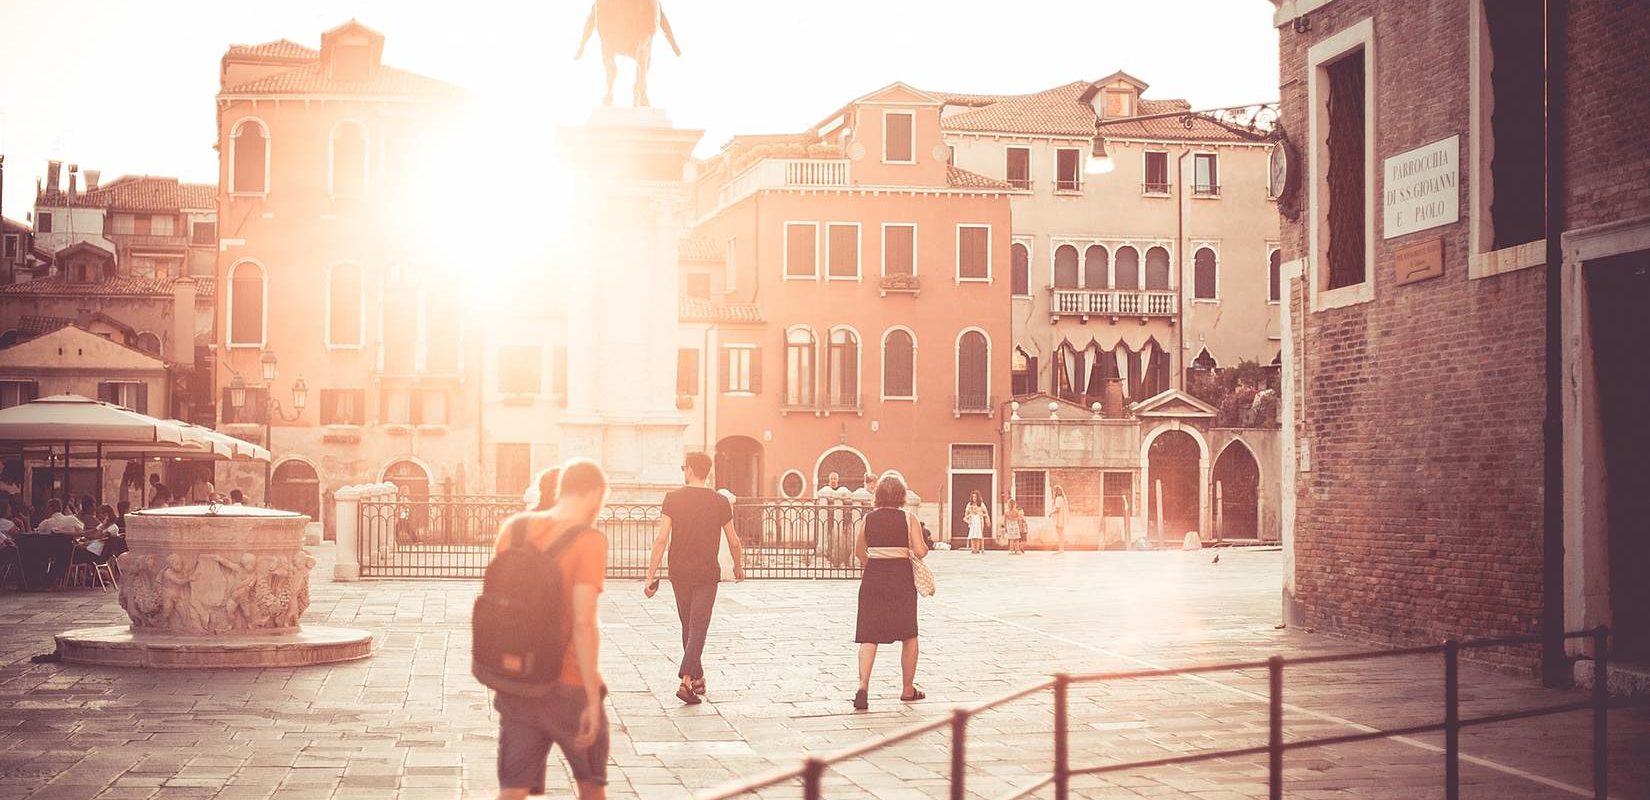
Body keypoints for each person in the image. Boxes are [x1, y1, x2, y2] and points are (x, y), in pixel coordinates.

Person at [491, 459, 612, 800]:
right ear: (593, 495)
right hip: (569, 684)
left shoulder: (513, 528)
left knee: (512, 791)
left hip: (517, 680)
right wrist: (591, 694)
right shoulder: (589, 540)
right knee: (591, 788)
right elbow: (583, 620)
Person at [644, 452, 745, 705]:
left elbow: (660, 539)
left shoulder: (673, 499)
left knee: (689, 626)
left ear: (689, 470)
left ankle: (696, 678)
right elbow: (734, 540)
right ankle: (687, 680)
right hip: (706, 573)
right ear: (707, 472)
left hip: (679, 571)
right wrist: (738, 567)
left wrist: (650, 575)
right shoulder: (720, 501)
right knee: (698, 626)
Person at [852, 473, 928, 710]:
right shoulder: (909, 519)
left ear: (879, 495)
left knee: (868, 635)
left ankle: (863, 686)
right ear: (902, 495)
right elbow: (921, 551)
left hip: (874, 577)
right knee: (909, 633)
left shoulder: (869, 519)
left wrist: (876, 560)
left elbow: (858, 551)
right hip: (901, 579)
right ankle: (907, 689)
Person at [1050, 485, 1069, 554]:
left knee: (1060, 535)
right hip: (1062, 519)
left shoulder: (1058, 499)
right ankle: (1062, 549)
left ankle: (1061, 549)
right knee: (1061, 534)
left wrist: (1051, 513)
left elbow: (1057, 509)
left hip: (1059, 519)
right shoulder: (1062, 498)